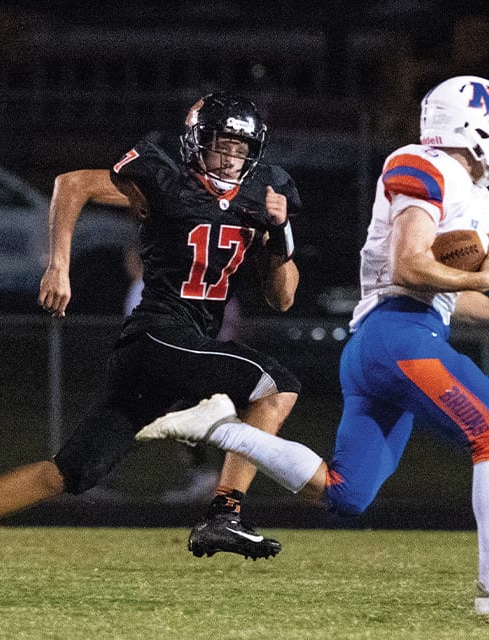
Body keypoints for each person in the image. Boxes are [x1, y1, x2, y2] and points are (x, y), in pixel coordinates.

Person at [0, 91, 306, 597]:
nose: (230, 158)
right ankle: (225, 510)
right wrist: (58, 264)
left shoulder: (264, 194)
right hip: (159, 332)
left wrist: (281, 232)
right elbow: (72, 185)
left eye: (241, 150)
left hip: (177, 345)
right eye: (223, 145)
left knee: (70, 472)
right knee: (276, 385)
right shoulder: (164, 179)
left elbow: (283, 297)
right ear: (198, 141)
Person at [136, 75, 489, 615]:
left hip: (395, 340)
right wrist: (480, 279)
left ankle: (218, 426)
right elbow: (410, 265)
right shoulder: (425, 163)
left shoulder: (469, 190)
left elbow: (451, 298)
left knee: (346, 495)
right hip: (397, 337)